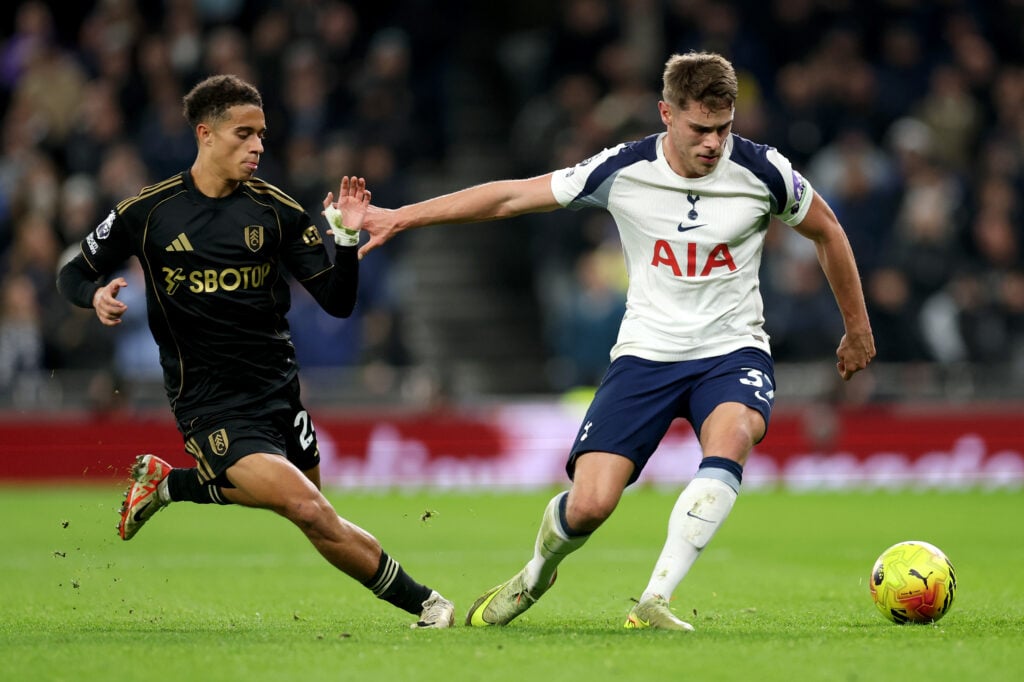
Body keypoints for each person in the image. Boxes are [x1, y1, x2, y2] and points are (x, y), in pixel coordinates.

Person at [353, 52, 876, 630]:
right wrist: (402, 217)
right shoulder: (623, 169)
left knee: (735, 434)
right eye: (699, 128)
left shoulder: (764, 170)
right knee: (590, 505)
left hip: (731, 350)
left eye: (724, 128)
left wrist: (856, 327)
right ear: (666, 114)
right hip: (646, 356)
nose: (713, 143)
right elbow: (510, 197)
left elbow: (828, 230)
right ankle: (535, 574)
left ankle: (654, 599)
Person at [55, 74, 454, 629]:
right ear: (205, 134)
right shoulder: (147, 213)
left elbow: (337, 302)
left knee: (307, 505)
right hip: (209, 400)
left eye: (262, 134)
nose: (258, 146)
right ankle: (429, 604)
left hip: (278, 390)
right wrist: (93, 296)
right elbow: (72, 273)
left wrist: (345, 239)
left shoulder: (276, 211)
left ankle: (169, 483)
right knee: (309, 509)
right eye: (244, 134)